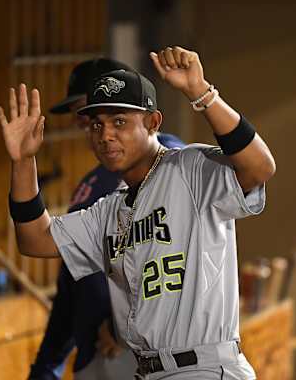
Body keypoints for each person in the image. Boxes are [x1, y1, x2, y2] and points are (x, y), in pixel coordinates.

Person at [0, 45, 276, 379]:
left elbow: (259, 167)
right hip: (147, 370)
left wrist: (202, 93)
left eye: (119, 121)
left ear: (152, 122)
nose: (106, 135)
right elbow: (34, 240)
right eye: (97, 124)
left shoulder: (188, 168)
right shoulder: (109, 209)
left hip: (202, 367)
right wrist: (24, 161)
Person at [29, 58, 185, 380]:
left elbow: (174, 253)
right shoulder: (90, 184)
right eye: (82, 115)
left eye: (85, 107)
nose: (82, 121)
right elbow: (72, 281)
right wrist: (47, 366)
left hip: (146, 352)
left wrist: (123, 322)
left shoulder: (168, 159)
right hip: (94, 353)